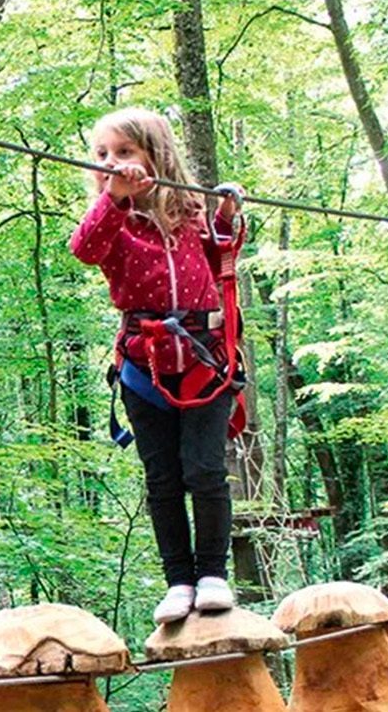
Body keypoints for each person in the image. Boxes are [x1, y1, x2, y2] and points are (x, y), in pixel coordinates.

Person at [69, 107, 244, 625]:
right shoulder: (112, 224)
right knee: (162, 477)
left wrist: (229, 213)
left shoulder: (189, 213)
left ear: (155, 155)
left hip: (204, 358)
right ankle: (179, 580)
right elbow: (85, 249)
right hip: (144, 365)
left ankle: (212, 573)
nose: (112, 162)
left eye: (124, 152)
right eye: (102, 155)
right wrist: (114, 198)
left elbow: (223, 248)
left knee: (205, 470)